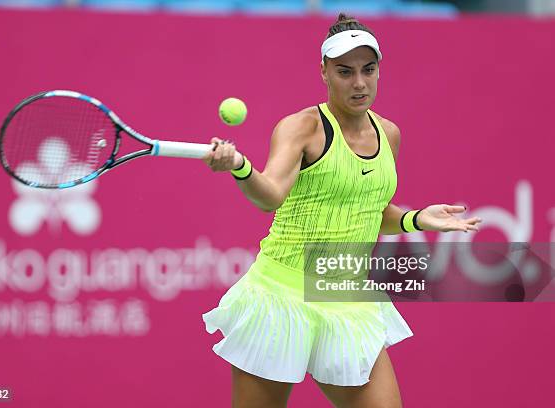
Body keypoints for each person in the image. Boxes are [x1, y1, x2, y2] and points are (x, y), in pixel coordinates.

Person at [202, 14, 481, 408]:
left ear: (379, 69)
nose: (359, 83)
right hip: (281, 296)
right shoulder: (302, 127)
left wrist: (416, 218)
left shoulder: (389, 134)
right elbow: (270, 196)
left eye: (368, 70)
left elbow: (370, 209)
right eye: (345, 71)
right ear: (324, 71)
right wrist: (240, 167)